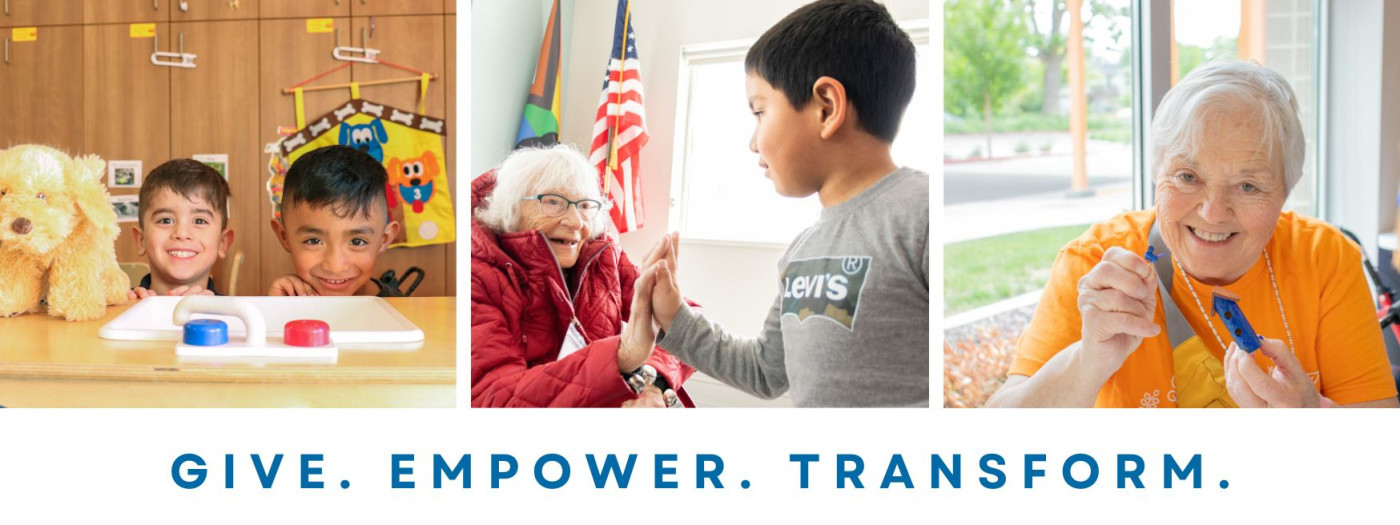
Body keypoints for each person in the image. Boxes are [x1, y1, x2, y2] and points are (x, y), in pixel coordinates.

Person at [987, 61, 1399, 408]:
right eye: (1188, 176)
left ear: (1287, 190)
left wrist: (1314, 421)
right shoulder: (1095, 263)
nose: (1213, 212)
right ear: (1156, 172)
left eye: (1248, 186)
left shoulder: (1325, 258)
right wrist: (1088, 358)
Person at [646, 0, 930, 407]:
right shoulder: (801, 252)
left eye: (760, 111)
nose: (752, 141)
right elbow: (766, 371)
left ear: (827, 108)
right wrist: (673, 315)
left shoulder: (920, 214)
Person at [471, 145, 694, 408]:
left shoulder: (603, 255)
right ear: (511, 209)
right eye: (553, 202)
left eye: (585, 205)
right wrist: (622, 355)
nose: (576, 221)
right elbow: (494, 398)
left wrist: (654, 384)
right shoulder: (477, 277)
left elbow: (688, 327)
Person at [268, 145, 401, 296]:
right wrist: (273, 309)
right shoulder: (281, 303)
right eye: (313, 241)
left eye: (357, 242)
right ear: (284, 237)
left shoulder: (402, 314)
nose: (335, 267)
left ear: (384, 240)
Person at [129, 159, 234, 299]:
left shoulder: (236, 318)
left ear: (222, 242)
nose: (182, 233)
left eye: (199, 221)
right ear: (141, 240)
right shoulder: (117, 312)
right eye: (166, 220)